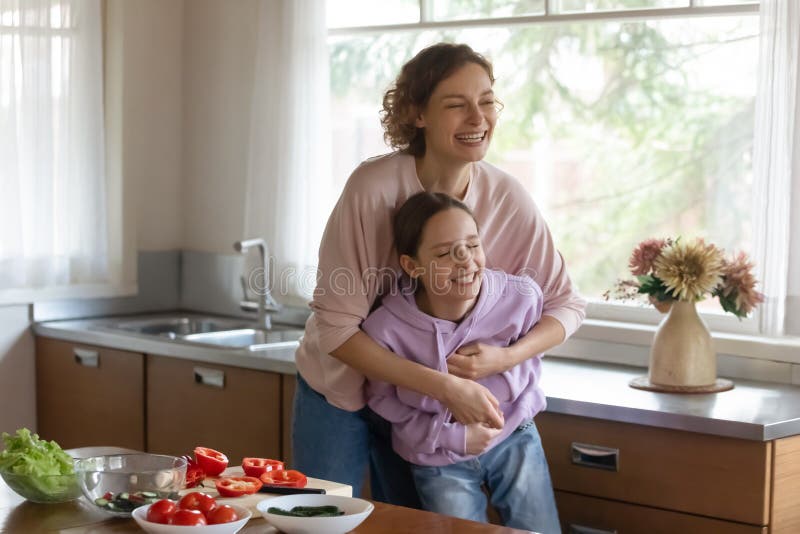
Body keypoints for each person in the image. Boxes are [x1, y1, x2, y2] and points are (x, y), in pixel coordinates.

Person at [292, 42, 585, 506]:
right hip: (340, 390)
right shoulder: (373, 189)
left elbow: (565, 305)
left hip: (419, 409)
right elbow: (336, 328)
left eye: (487, 101)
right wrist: (447, 386)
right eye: (456, 105)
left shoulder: (508, 198)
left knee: (408, 524)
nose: (478, 118)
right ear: (417, 114)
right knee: (318, 517)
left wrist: (505, 359)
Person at [362, 191, 559, 532]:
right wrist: (452, 437)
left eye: (473, 245)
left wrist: (499, 400)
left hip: (515, 436)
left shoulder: (520, 297)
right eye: (444, 253)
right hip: (439, 459)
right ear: (412, 266)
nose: (466, 260)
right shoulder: (386, 329)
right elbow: (383, 400)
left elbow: (532, 357)